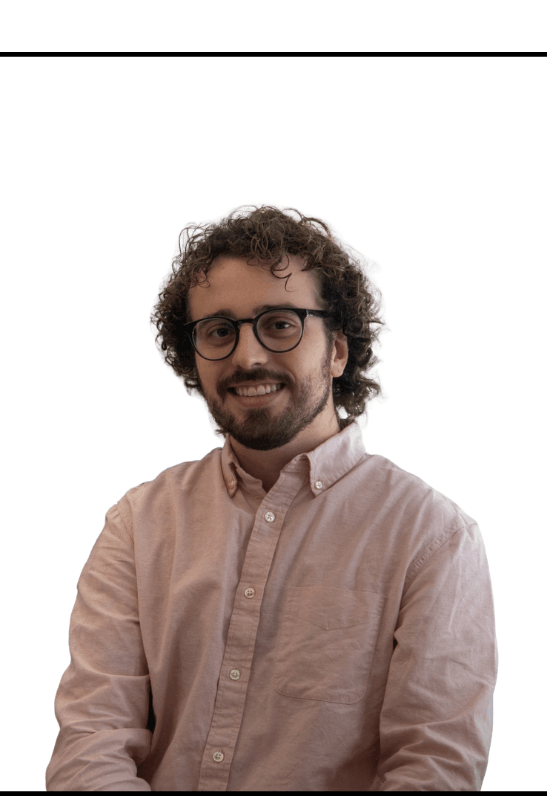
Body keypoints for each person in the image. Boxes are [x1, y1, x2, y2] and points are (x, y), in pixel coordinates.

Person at [46, 206, 498, 791]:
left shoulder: (431, 537)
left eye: (280, 323)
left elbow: (434, 771)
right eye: (218, 331)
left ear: (338, 350)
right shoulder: (140, 523)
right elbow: (91, 743)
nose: (247, 356)